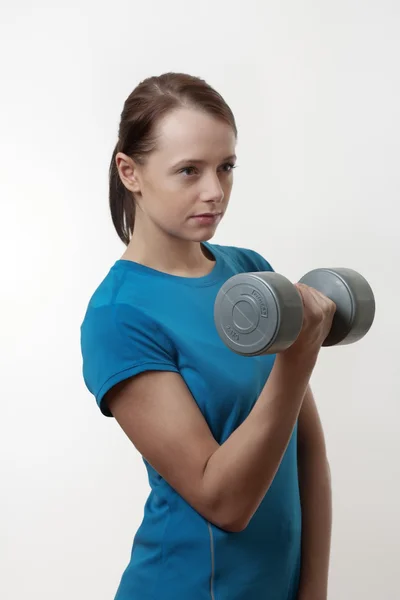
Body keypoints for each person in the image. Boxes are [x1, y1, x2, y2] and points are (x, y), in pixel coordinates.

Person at [80, 72, 334, 600]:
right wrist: (296, 360)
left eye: (226, 167)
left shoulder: (250, 274)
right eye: (188, 171)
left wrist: (313, 591)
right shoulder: (119, 316)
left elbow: (305, 449)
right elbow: (223, 503)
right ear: (130, 172)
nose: (214, 191)